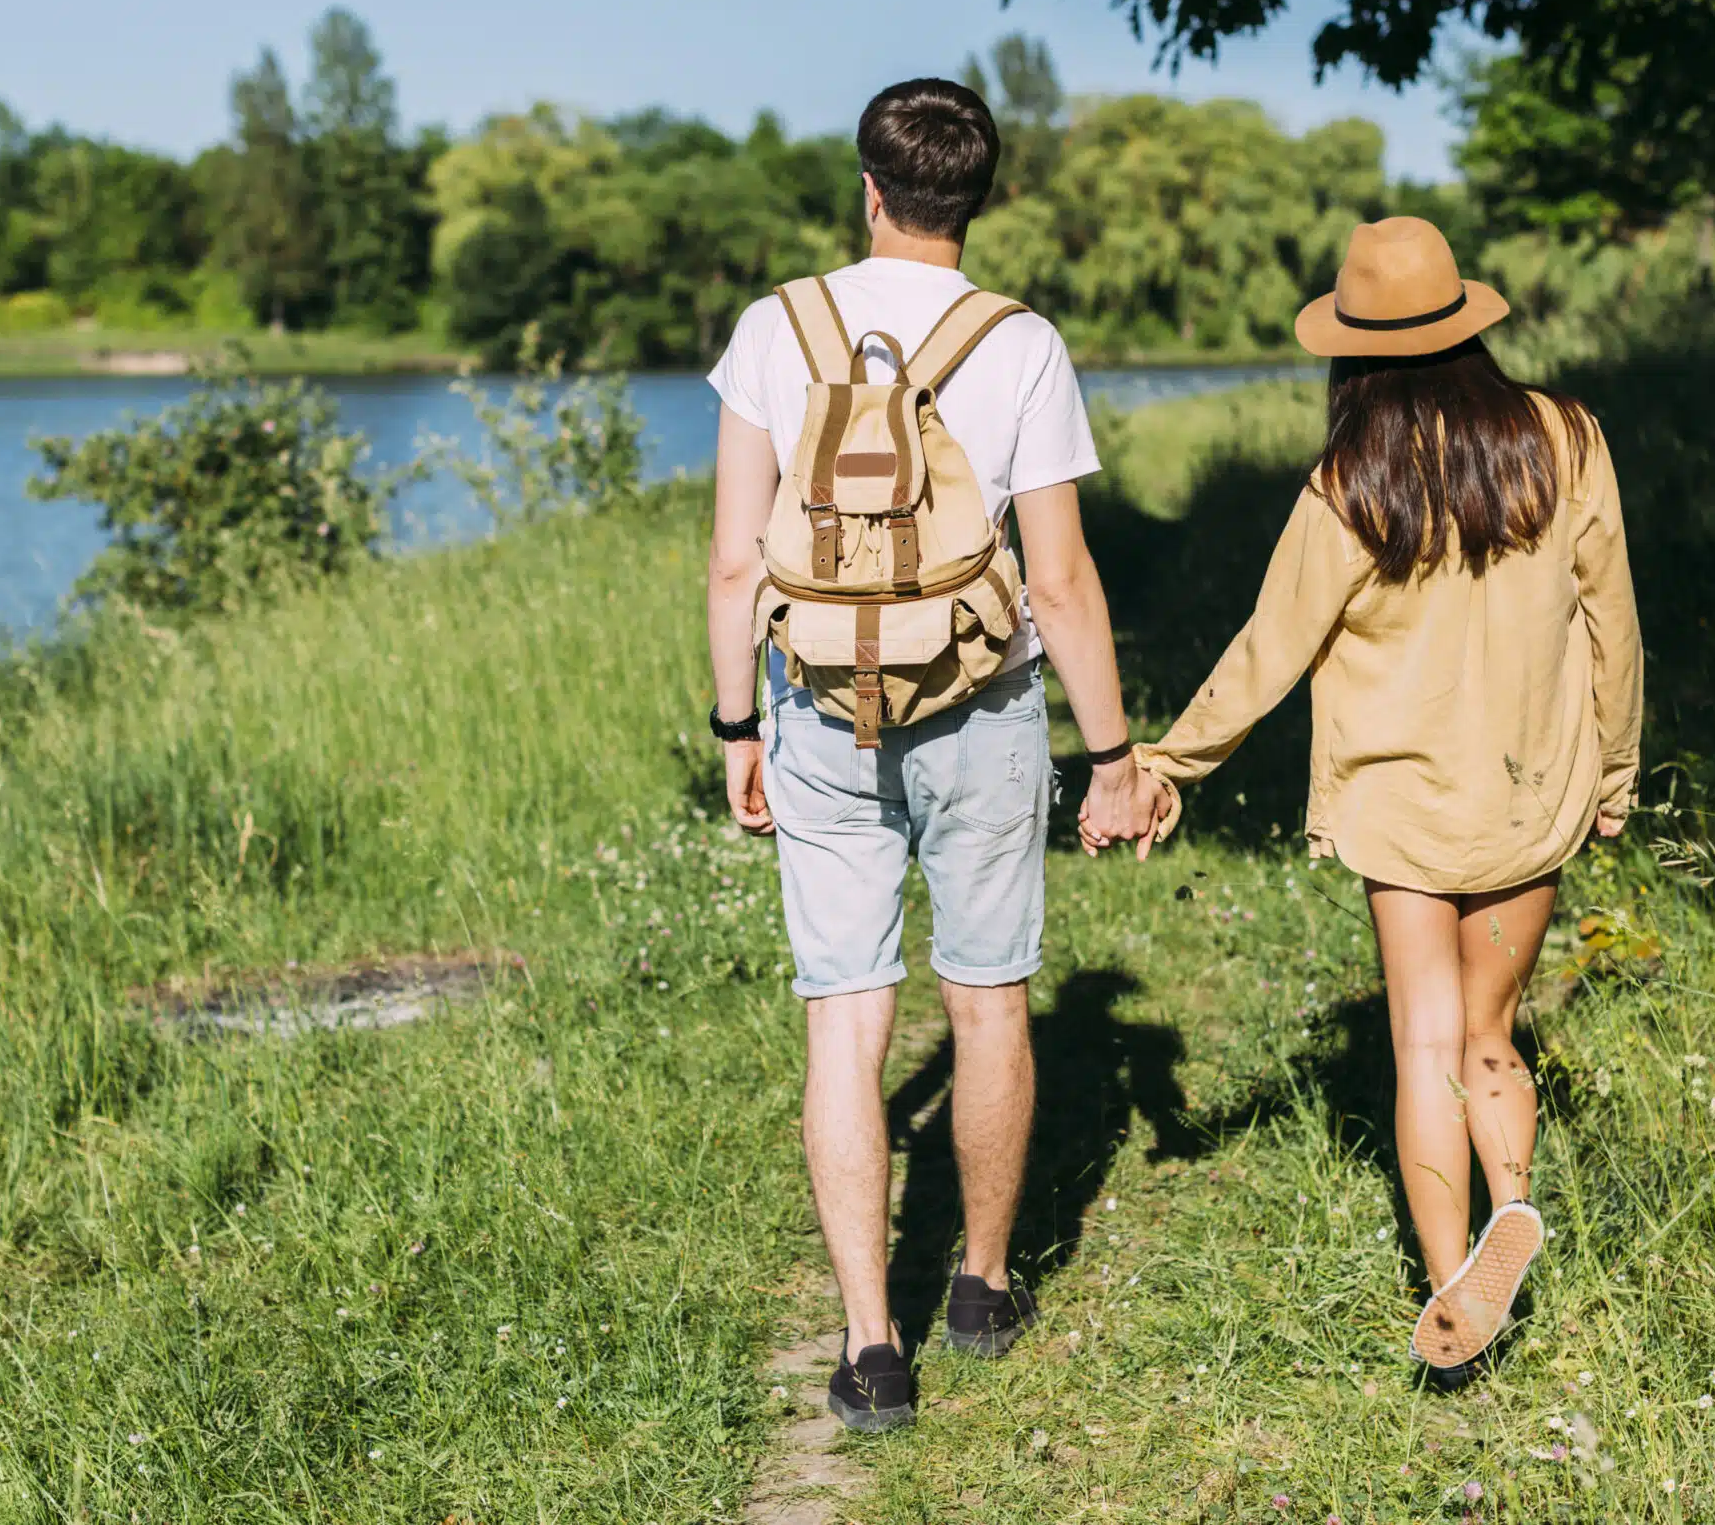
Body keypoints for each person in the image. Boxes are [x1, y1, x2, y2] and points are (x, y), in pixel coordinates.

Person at [1110, 216, 1643, 1386]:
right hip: (1529, 791)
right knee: (1491, 1032)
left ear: (1351, 351)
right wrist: (1614, 768)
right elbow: (1613, 613)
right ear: (1465, 321)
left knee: (1423, 1044)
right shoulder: (1564, 439)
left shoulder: (1352, 482)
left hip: (1404, 810)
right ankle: (1513, 1203)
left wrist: (1169, 763)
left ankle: (1452, 1288)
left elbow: (1270, 647)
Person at [704, 77, 1162, 1433]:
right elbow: (1059, 580)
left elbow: (734, 561)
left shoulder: (775, 329)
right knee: (988, 999)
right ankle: (982, 1285)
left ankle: (869, 1344)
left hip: (814, 711)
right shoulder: (1018, 342)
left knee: (848, 1017)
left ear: (869, 188)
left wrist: (737, 726)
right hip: (982, 704)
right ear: (979, 196)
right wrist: (1112, 755)